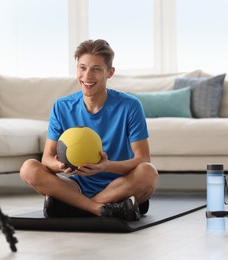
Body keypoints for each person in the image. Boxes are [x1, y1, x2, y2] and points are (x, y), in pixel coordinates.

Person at [20, 39, 158, 221]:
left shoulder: (130, 105)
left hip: (118, 185)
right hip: (75, 185)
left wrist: (106, 166)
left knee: (148, 172)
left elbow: (142, 158)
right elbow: (47, 158)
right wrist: (61, 165)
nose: (87, 76)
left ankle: (75, 207)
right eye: (82, 68)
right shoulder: (61, 106)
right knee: (28, 168)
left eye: (96, 69)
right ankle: (101, 209)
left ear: (110, 72)